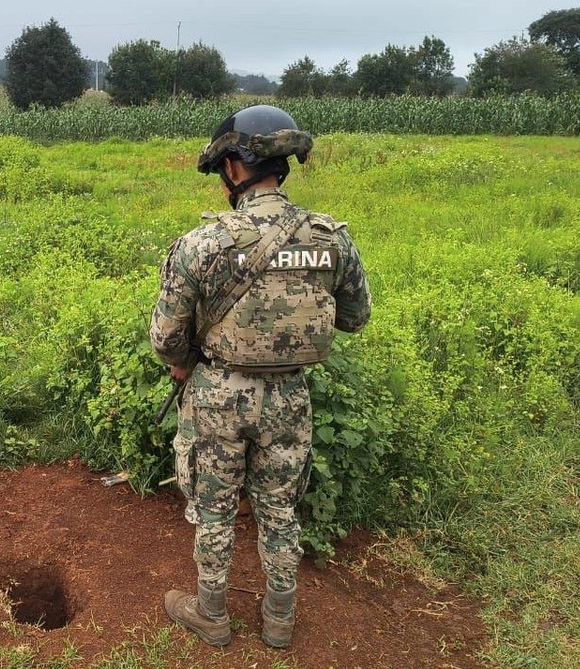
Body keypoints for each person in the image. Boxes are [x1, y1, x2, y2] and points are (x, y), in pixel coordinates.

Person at [149, 105, 371, 649]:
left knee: (214, 506)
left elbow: (166, 338)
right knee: (279, 508)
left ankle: (212, 612)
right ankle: (278, 620)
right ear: (282, 165)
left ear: (233, 167)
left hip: (218, 395)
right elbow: (355, 318)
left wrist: (182, 364)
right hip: (290, 399)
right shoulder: (331, 238)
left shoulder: (202, 243)